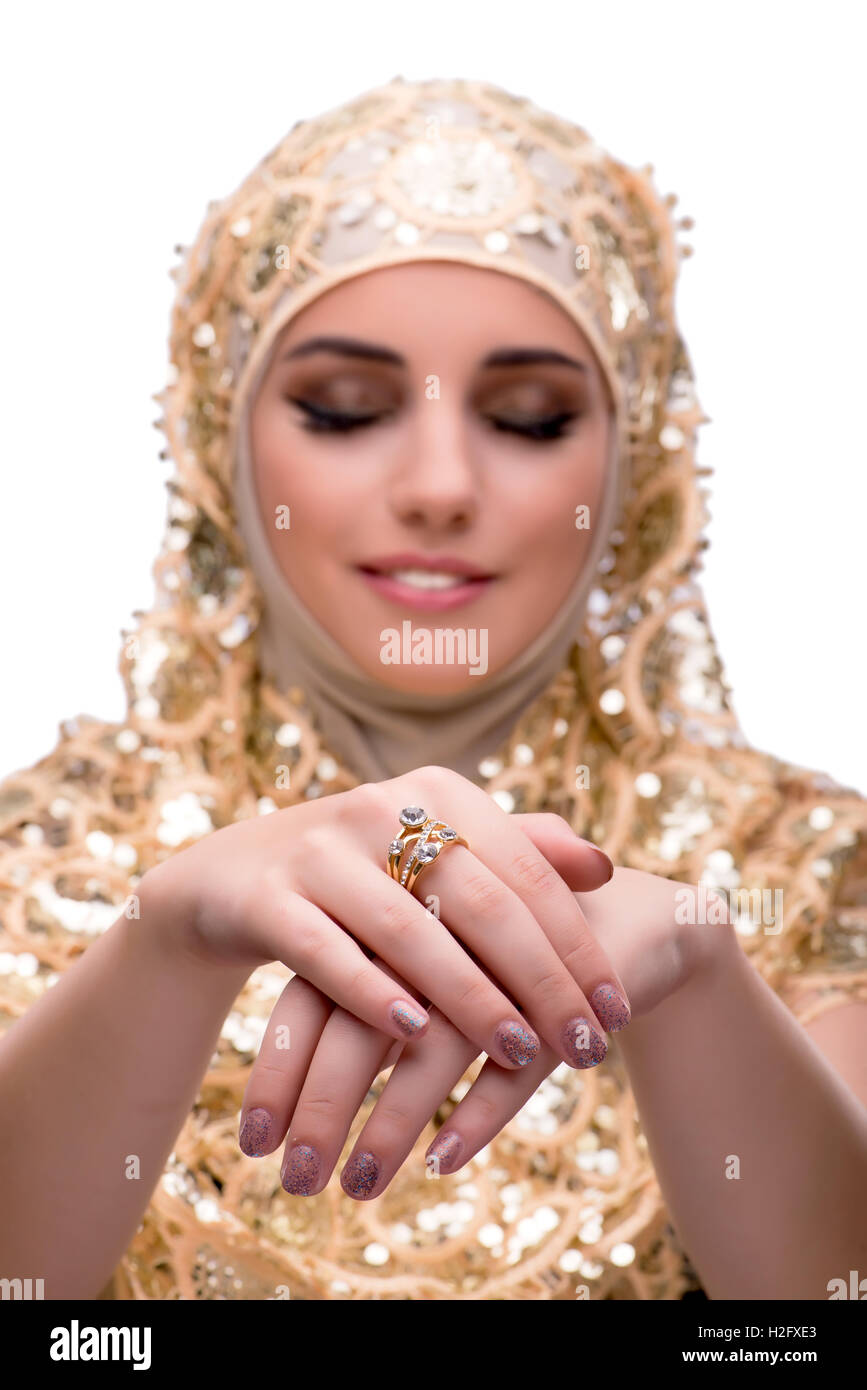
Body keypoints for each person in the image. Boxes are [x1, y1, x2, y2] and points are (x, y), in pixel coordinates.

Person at [0, 74, 865, 1303]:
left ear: (636, 465)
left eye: (528, 416)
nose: (443, 483)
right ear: (221, 443)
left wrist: (703, 985)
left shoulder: (806, 865)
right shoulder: (30, 861)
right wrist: (164, 947)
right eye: (345, 408)